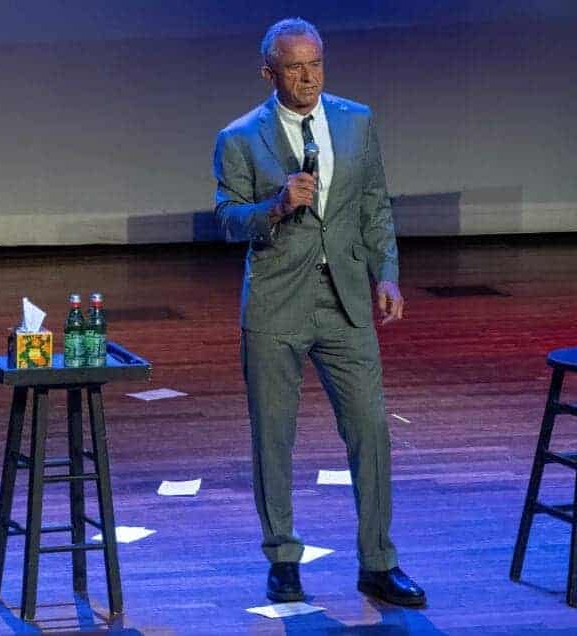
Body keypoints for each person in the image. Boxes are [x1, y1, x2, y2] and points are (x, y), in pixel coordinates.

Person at [213, 17, 425, 608]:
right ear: (270, 72)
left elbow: (375, 203)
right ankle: (283, 557)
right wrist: (275, 207)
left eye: (316, 65)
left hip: (346, 303)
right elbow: (227, 220)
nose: (308, 78)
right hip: (277, 304)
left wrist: (387, 274)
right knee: (273, 437)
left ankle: (378, 562)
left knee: (371, 430)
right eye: (295, 67)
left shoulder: (357, 121)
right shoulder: (238, 138)